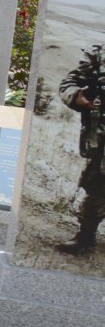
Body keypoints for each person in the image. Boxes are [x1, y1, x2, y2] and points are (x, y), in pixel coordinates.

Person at [58, 47, 105, 254]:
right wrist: (77, 97)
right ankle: (86, 236)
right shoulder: (99, 55)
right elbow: (68, 84)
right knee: (97, 185)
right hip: (102, 142)